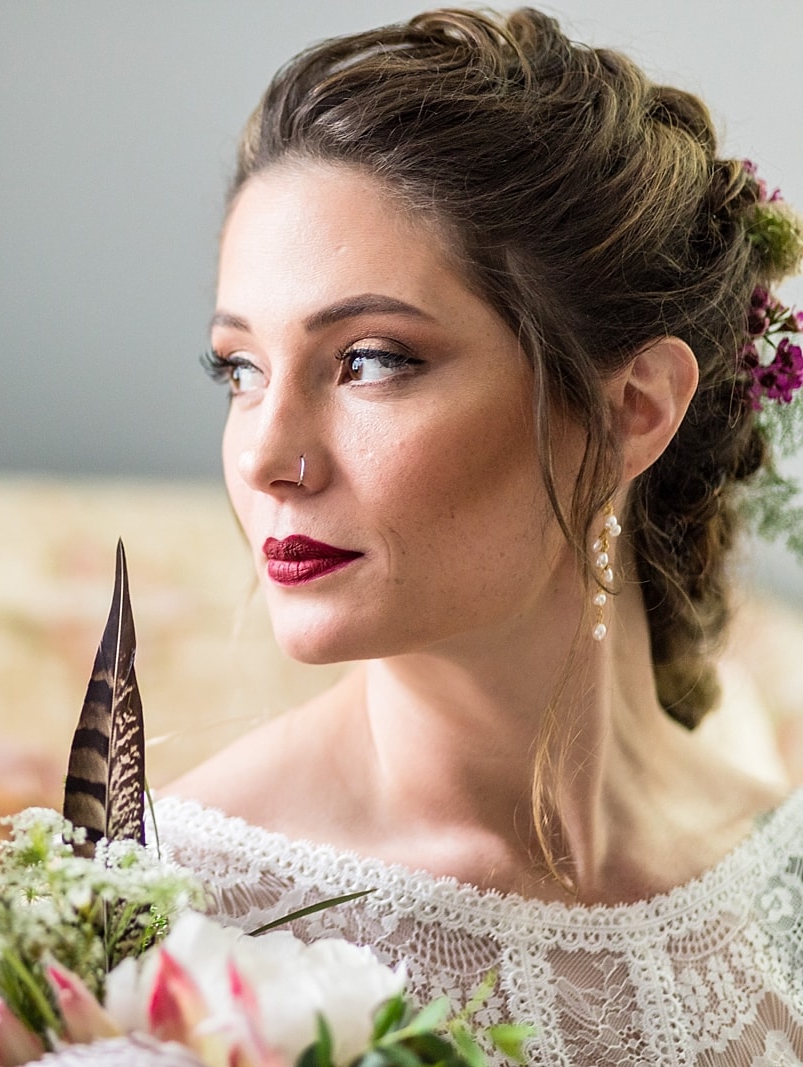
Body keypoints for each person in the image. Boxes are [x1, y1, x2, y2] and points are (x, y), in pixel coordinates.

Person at [139, 7, 803, 1065]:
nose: (265, 456)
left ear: (633, 408)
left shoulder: (785, 878)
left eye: (369, 360)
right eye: (240, 369)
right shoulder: (167, 920)